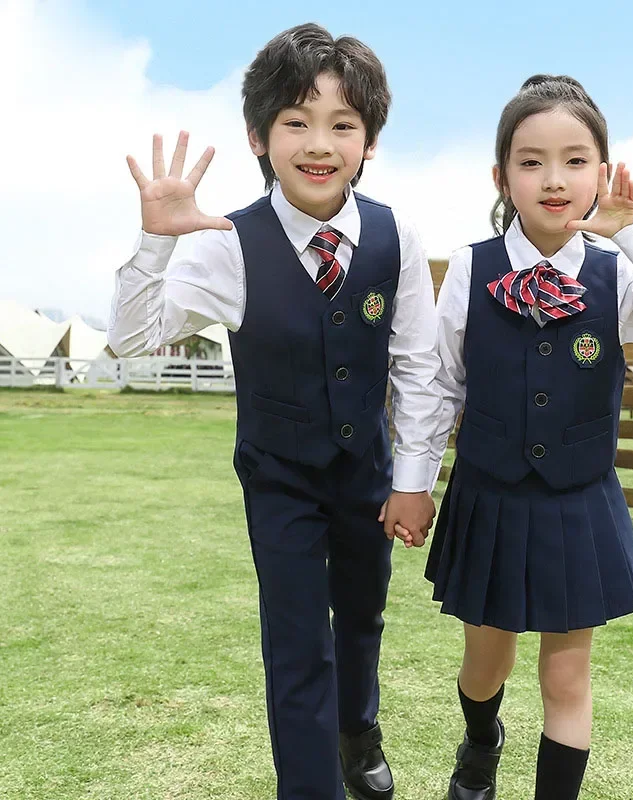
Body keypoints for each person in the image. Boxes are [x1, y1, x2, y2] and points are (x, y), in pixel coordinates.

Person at [107, 23, 441, 800]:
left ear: (369, 142)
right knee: (297, 645)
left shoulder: (396, 237)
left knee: (361, 619)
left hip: (367, 473)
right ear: (259, 136)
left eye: (342, 125)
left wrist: (416, 478)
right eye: (296, 121)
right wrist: (156, 243)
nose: (318, 143)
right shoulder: (227, 242)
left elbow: (418, 367)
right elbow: (131, 340)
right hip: (279, 476)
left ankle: (358, 728)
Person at [423, 74, 633, 800]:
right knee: (486, 661)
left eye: (575, 160)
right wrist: (414, 481)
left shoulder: (618, 277)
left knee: (567, 673)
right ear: (502, 176)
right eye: (531, 161)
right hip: (490, 493)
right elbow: (439, 382)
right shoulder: (472, 266)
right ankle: (481, 737)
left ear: (604, 172)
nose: (554, 180)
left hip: (577, 498)